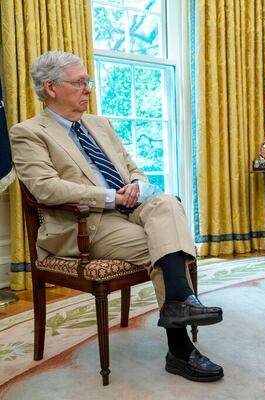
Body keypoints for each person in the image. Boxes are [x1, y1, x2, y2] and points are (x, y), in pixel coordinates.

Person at [9, 51, 224, 382]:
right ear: (51, 87)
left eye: (87, 82)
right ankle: (180, 348)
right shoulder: (28, 132)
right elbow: (46, 190)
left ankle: (179, 303)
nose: (88, 89)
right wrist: (110, 197)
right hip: (86, 224)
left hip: (132, 209)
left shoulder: (99, 124)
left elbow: (131, 166)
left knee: (167, 202)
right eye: (79, 82)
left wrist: (137, 183)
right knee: (168, 248)